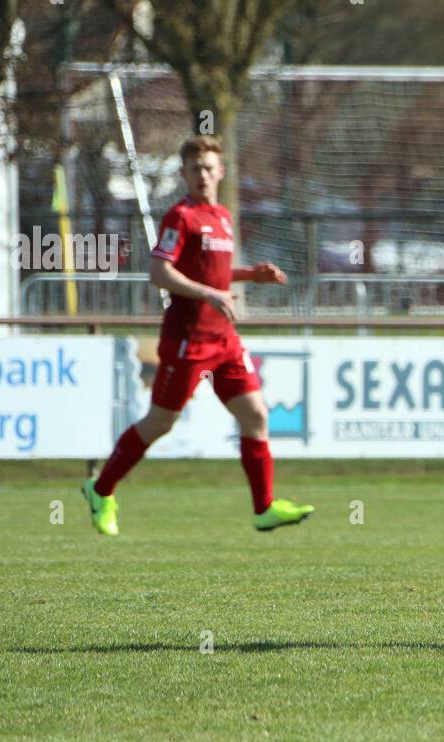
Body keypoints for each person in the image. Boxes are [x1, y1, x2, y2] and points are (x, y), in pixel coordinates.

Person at [81, 135, 314, 535]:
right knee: (159, 423)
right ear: (184, 174)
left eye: (209, 168)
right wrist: (209, 293)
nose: (203, 175)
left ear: (221, 171)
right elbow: (160, 272)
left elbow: (211, 272)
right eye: (195, 169)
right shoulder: (180, 217)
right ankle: (101, 489)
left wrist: (248, 276)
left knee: (255, 414)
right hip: (188, 340)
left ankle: (264, 507)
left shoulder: (222, 215)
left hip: (224, 340)